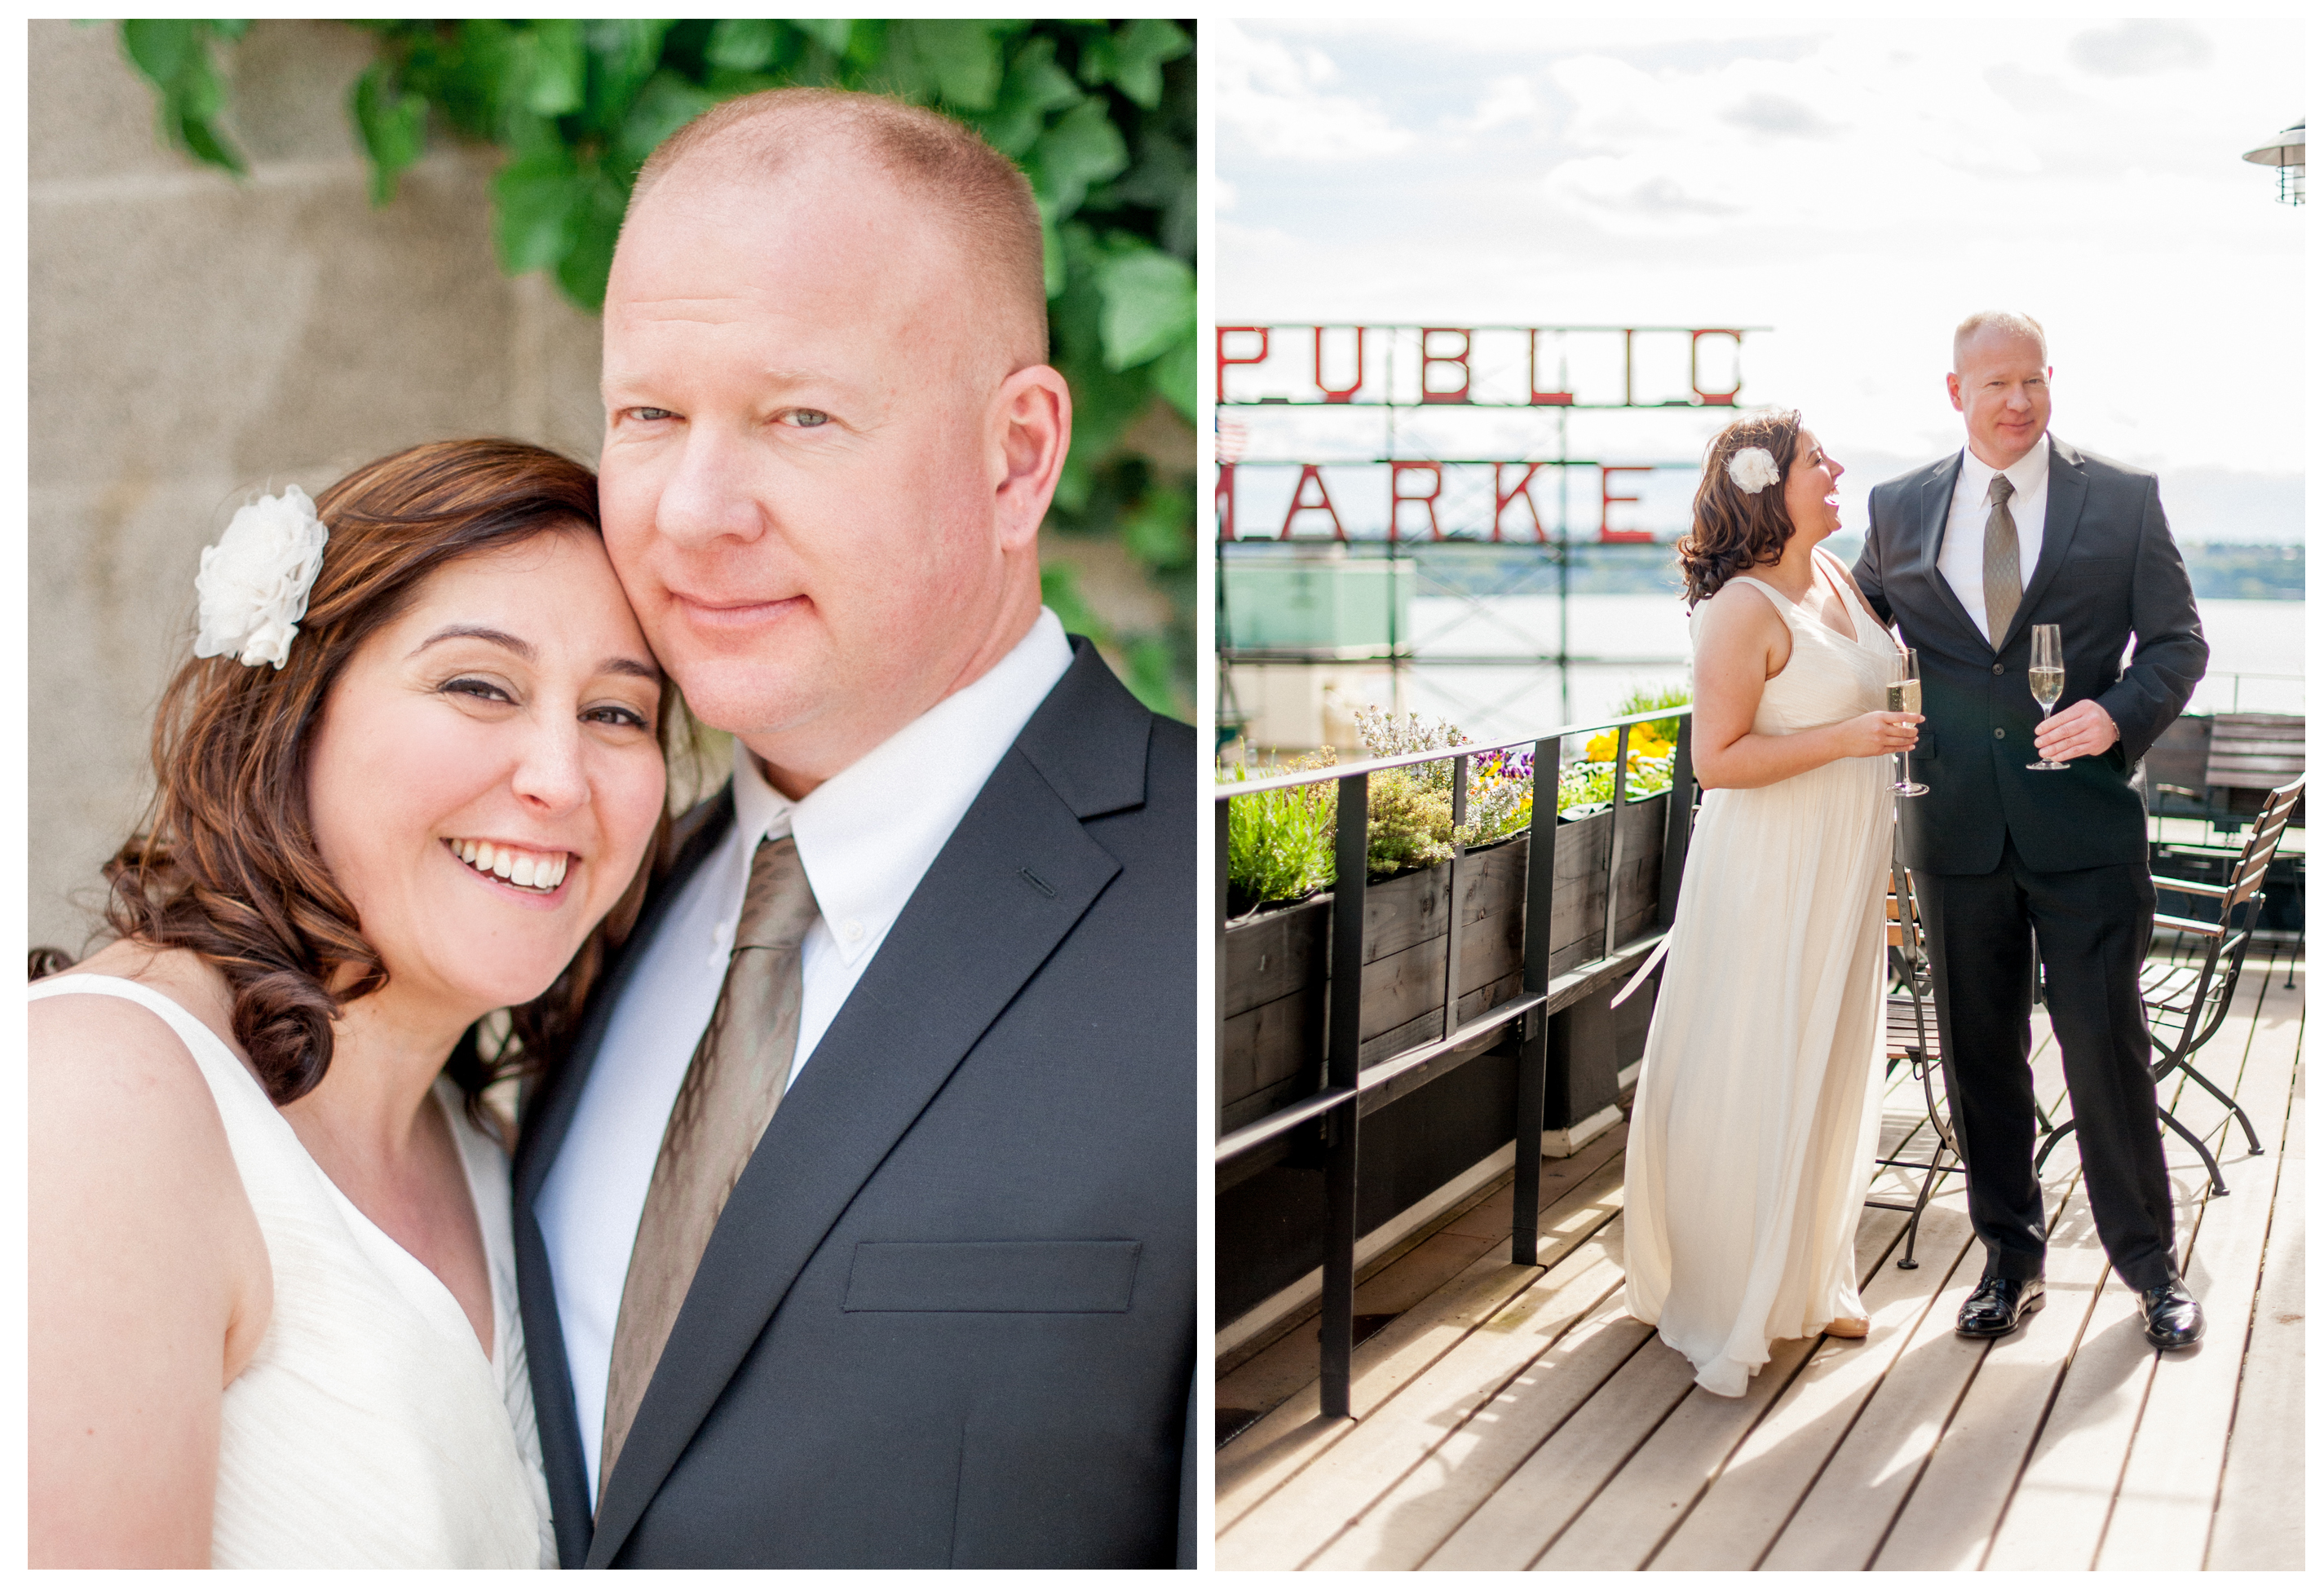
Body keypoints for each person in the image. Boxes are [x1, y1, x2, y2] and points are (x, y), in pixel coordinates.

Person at [518, 88, 1195, 1568]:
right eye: (648, 414)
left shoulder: (1204, 902)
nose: (691, 512)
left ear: (1017, 458)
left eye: (799, 417)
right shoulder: (571, 904)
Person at [29, 439, 674, 1566]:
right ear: (296, 711)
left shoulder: (492, 1149)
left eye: (619, 713)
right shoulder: (101, 1098)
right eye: (480, 685)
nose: (560, 778)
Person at [1853, 311, 2207, 1349]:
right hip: (1955, 831)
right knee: (1980, 1058)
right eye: (1995, 384)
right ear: (1954, 391)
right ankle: (2010, 1258)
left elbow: (2179, 641)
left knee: (2105, 1051)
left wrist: (2120, 713)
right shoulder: (1899, 506)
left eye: (2033, 381)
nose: (2017, 402)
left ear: (2050, 381)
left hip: (2085, 830)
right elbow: (1857, 628)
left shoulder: (2124, 500)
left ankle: (2150, 1268)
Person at [1624, 410, 1922, 1397]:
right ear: (1767, 486)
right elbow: (1717, 760)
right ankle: (1728, 1290)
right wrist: (1848, 741)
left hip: (1843, 861)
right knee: (1756, 1058)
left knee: (1833, 1053)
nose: (1837, 469)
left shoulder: (1836, 579)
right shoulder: (1739, 610)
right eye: (1815, 460)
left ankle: (1808, 1274)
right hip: (1768, 869)